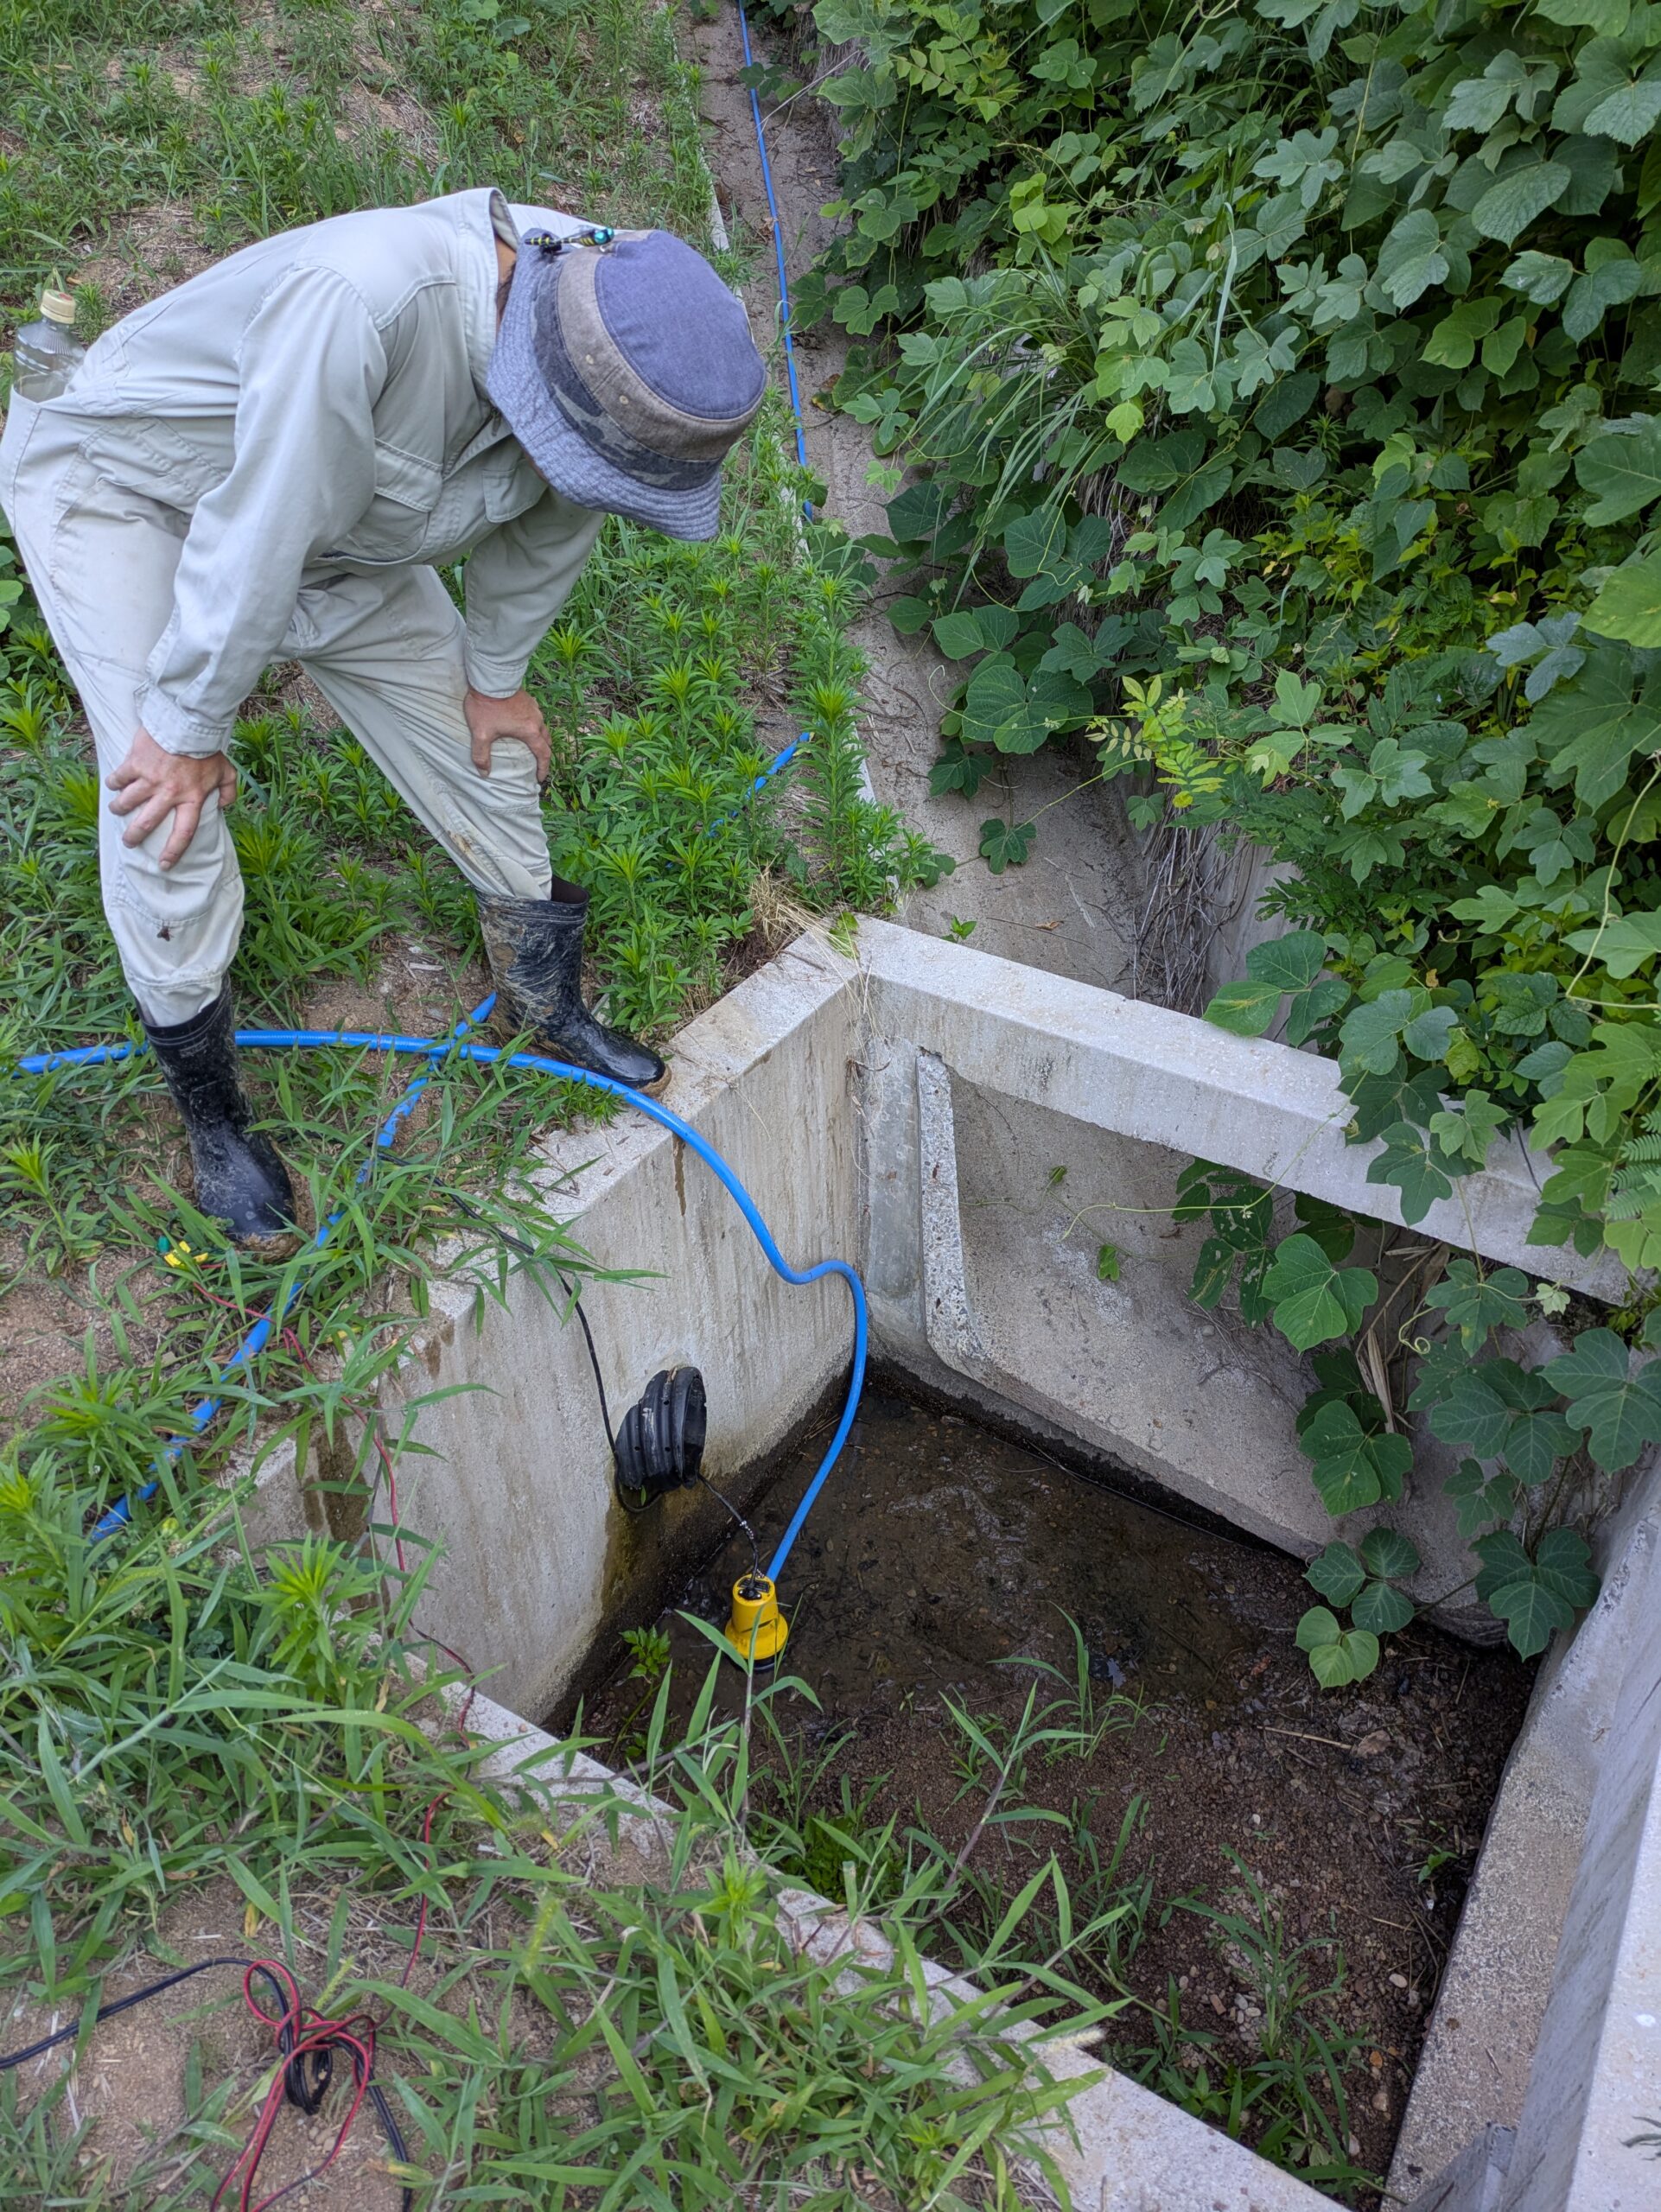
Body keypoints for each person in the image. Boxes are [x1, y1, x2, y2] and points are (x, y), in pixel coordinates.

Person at [0, 188, 767, 1244]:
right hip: (139, 492)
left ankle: (542, 1003)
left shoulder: (611, 340)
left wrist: (493, 676)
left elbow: (559, 516)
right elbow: (261, 524)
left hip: (345, 533)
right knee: (163, 811)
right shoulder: (362, 301)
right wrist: (186, 726)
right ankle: (214, 1119)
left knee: (488, 754)